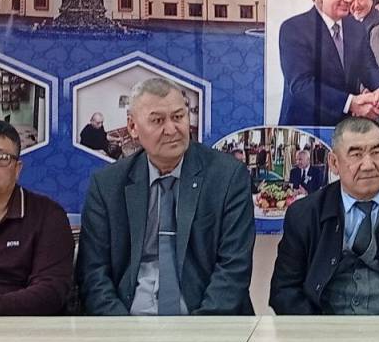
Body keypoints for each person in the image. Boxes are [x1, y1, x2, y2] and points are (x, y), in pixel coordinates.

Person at [76, 77, 255, 316]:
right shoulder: (107, 185)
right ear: (133, 127)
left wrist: (202, 331)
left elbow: (234, 268)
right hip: (129, 320)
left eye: (178, 117)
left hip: (207, 319)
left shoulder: (227, 177)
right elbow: (93, 274)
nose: (171, 130)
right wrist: (121, 330)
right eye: (158, 120)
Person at [270, 117, 379, 315]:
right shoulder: (304, 214)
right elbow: (284, 291)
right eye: (356, 154)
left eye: (377, 153)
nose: (368, 165)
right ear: (334, 163)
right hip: (323, 328)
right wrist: (318, 330)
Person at [0, 119, 74, 318]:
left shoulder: (47, 215)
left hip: (23, 327)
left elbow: (52, 292)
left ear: (17, 169)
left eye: (1, 158)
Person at [278, 0, 379, 126]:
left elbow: (369, 68)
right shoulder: (294, 29)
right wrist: (350, 103)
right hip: (307, 130)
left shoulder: (356, 27)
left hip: (346, 130)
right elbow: (301, 85)